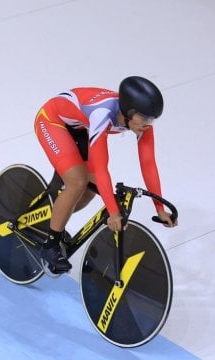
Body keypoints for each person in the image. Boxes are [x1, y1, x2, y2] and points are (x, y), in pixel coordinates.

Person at [34, 76, 178, 274]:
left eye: (152, 119)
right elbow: (102, 168)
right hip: (52, 120)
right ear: (130, 113)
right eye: (145, 118)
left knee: (90, 189)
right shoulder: (102, 113)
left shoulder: (141, 123)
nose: (148, 124)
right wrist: (113, 211)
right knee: (77, 182)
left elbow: (148, 164)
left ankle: (53, 218)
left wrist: (159, 208)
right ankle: (50, 245)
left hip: (78, 126)